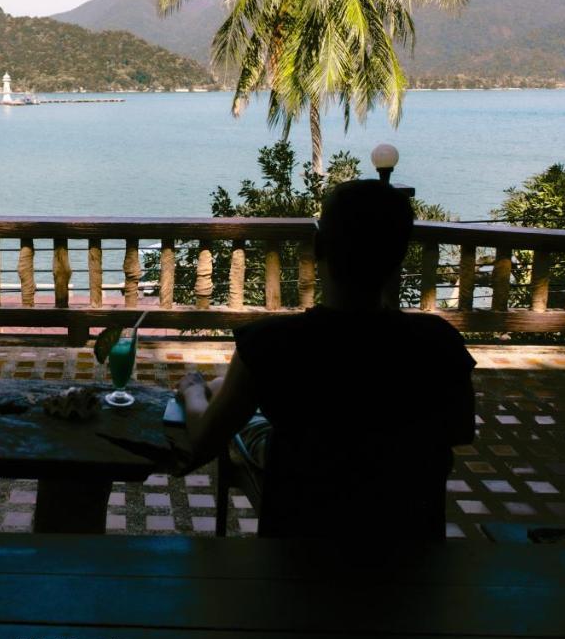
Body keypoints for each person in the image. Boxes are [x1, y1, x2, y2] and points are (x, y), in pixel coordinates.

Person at [176, 180, 476, 540]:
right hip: (405, 546)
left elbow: (204, 442)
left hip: (300, 546)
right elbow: (459, 431)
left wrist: (190, 391)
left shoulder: (271, 345)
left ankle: (212, 389)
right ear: (400, 254)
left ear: (319, 247)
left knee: (234, 409)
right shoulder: (438, 344)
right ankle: (222, 388)